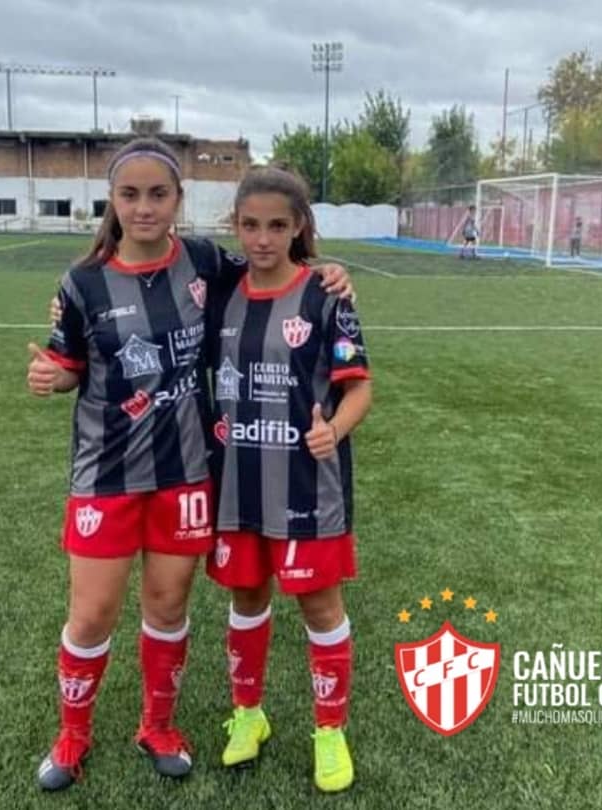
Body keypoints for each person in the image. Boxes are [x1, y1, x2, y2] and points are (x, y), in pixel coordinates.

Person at [27, 138, 352, 793]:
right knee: (91, 615)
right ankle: (72, 735)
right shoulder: (82, 282)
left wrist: (330, 269)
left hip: (186, 474)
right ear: (112, 202)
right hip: (105, 476)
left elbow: (275, 262)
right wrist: (51, 376)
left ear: (178, 200)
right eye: (130, 194)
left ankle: (158, 725)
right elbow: (69, 363)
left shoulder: (206, 261)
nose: (144, 207)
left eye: (158, 194)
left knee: (168, 605)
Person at [205, 166, 372, 793]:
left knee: (320, 605)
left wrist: (336, 427)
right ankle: (248, 716)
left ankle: (330, 731)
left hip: (309, 487)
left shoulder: (327, 296)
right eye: (250, 225)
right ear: (236, 227)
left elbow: (360, 388)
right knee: (246, 598)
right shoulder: (219, 291)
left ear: (299, 226)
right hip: (237, 484)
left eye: (277, 225)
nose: (262, 239)